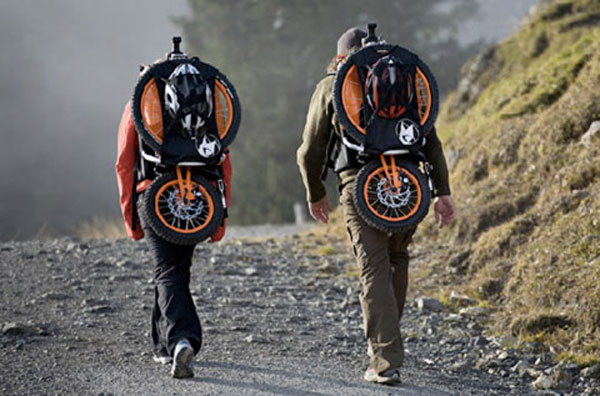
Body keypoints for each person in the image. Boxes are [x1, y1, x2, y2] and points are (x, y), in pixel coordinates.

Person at [297, 27, 456, 385]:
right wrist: (443, 191)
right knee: (396, 259)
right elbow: (430, 139)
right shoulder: (405, 81)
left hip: (361, 185)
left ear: (342, 56)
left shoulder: (332, 85)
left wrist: (314, 192)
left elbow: (309, 150)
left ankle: (384, 361)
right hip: (409, 185)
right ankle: (388, 346)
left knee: (373, 269)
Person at [115, 65, 231, 379]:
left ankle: (182, 339)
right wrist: (219, 217)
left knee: (167, 271)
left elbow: (124, 164)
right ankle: (163, 347)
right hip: (197, 199)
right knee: (174, 270)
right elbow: (223, 161)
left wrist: (132, 221)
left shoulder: (139, 105)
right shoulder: (208, 107)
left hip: (154, 197)